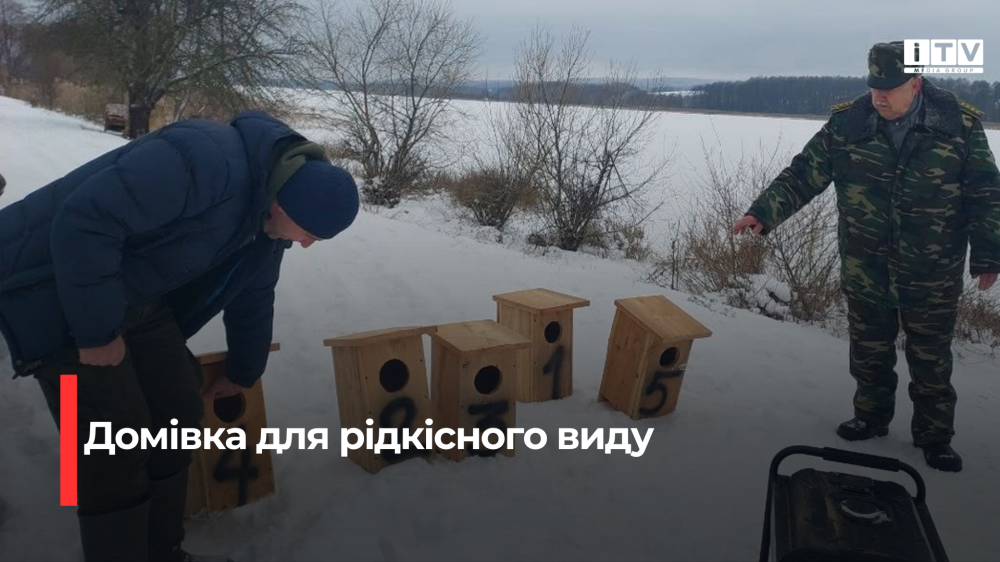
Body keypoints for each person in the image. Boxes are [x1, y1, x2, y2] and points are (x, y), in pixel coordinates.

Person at [0, 110, 360, 560]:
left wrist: (243, 371)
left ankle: (162, 548)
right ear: (285, 206)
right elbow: (85, 221)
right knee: (112, 440)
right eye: (309, 234)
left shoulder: (266, 222)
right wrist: (96, 334)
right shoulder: (203, 159)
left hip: (132, 295)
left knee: (179, 409)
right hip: (47, 291)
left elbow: (253, 293)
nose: (306, 244)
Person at [733, 41, 1000, 473]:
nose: (879, 96)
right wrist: (762, 212)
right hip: (866, 266)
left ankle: (935, 437)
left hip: (931, 271)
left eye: (889, 88)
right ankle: (871, 418)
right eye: (874, 86)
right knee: (869, 351)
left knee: (931, 359)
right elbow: (803, 174)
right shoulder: (848, 124)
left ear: (915, 84)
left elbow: (986, 193)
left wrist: (989, 254)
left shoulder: (958, 126)